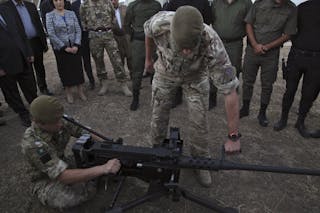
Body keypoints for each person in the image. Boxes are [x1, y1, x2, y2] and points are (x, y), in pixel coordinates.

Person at [144, 6, 241, 187]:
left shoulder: (211, 41)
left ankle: (200, 161)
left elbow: (230, 91)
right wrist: (148, 59)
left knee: (199, 120)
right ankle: (156, 155)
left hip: (195, 78)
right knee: (158, 116)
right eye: (182, 47)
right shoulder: (160, 23)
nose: (187, 52)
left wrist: (233, 136)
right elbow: (148, 34)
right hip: (165, 73)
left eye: (191, 47)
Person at [21, 95, 121, 209]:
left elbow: (84, 131)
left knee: (94, 157)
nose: (60, 123)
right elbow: (62, 176)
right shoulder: (33, 145)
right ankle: (91, 181)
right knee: (70, 197)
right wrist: (104, 169)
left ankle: (91, 177)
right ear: (39, 123)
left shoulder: (58, 120)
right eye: (55, 122)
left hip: (62, 162)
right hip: (45, 179)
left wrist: (110, 146)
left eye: (60, 119)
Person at [240, 0, 297, 127]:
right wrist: (255, 45)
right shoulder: (260, 3)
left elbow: (288, 34)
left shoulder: (291, 8)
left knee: (267, 84)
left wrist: (267, 47)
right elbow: (248, 23)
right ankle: (245, 108)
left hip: (271, 54)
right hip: (252, 50)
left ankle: (262, 113)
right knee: (247, 80)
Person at [273, 0, 320, 138]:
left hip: (317, 60)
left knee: (309, 94)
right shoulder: (302, 7)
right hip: (297, 55)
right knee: (290, 90)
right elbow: (291, 30)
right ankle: (283, 119)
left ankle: (300, 122)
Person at [162, 0, 216, 109]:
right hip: (178, 42)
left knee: (197, 70)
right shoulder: (173, 2)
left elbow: (207, 21)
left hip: (196, 42)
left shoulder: (203, 2)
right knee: (177, 69)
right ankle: (177, 97)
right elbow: (168, 19)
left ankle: (196, 97)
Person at [80, 0, 132, 97]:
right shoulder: (85, 5)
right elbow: (83, 21)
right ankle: (104, 83)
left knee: (117, 60)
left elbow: (113, 17)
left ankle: (123, 83)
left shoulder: (107, 2)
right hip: (94, 36)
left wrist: (108, 27)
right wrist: (93, 29)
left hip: (108, 35)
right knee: (98, 61)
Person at [3, 0, 52, 96]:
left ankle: (43, 87)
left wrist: (44, 42)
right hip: (21, 44)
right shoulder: (6, 7)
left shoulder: (30, 5)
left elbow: (38, 24)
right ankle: (33, 93)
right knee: (28, 70)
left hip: (36, 41)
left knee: (40, 66)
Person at [0, 5, 37, 127]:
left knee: (30, 86)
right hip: (4, 65)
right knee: (12, 92)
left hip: (22, 57)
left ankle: (36, 109)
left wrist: (29, 52)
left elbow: (21, 31)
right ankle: (23, 113)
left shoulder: (7, 8)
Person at [46, 0, 87, 104]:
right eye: (56, 0)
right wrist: (64, 47)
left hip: (75, 48)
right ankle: (68, 92)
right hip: (62, 50)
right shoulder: (49, 15)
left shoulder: (71, 13)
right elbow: (51, 33)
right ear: (53, 2)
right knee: (65, 71)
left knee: (78, 69)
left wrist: (77, 44)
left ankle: (80, 91)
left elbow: (78, 29)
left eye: (61, 0)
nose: (59, 2)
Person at [124, 0, 161, 111]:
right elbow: (126, 25)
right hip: (139, 42)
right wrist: (135, 35)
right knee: (137, 69)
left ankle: (156, 96)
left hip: (154, 41)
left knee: (157, 68)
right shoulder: (133, 6)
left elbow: (159, 21)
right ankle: (136, 98)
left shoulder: (156, 5)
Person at [212, 0, 252, 78]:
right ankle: (213, 89)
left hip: (234, 45)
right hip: (217, 43)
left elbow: (250, 23)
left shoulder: (246, 3)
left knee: (231, 71)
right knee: (215, 69)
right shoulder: (216, 2)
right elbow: (210, 19)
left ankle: (232, 89)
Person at [71, 0, 95, 90]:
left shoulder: (92, 2)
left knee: (97, 58)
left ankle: (102, 79)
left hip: (93, 36)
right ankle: (91, 81)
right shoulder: (74, 5)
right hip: (81, 38)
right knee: (86, 61)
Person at [111, 0, 132, 80]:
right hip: (115, 37)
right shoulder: (108, 10)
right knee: (119, 58)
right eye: (111, 0)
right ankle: (122, 77)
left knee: (130, 56)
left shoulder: (125, 8)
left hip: (126, 35)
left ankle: (133, 75)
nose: (113, 2)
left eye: (115, 0)